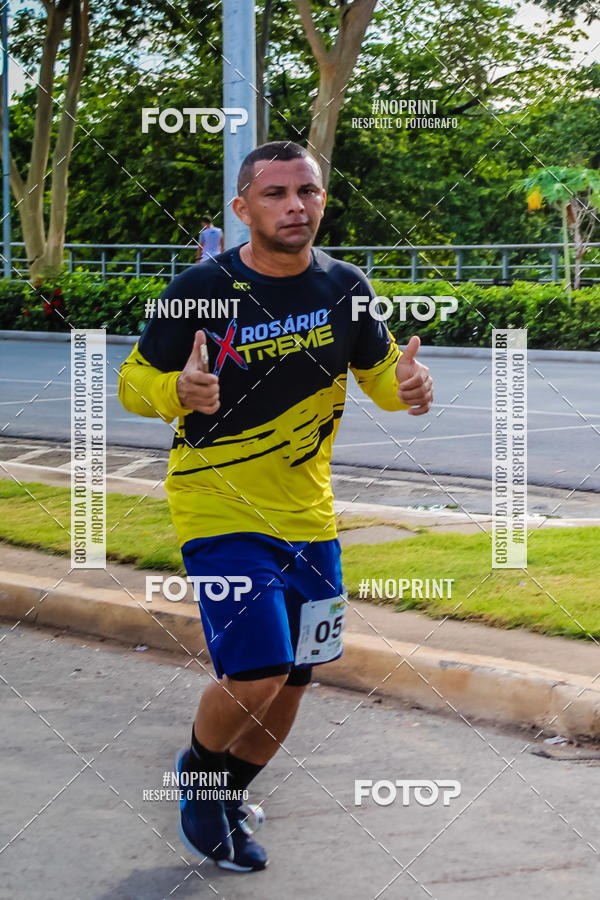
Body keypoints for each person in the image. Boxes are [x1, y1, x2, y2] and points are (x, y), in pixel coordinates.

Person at [118, 141, 433, 872]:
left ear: (322, 200)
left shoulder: (345, 287)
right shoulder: (204, 287)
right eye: (276, 194)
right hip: (217, 507)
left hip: (310, 518)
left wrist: (408, 387)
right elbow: (136, 382)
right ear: (243, 208)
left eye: (308, 192)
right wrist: (178, 392)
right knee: (258, 669)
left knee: (296, 679)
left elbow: (380, 372)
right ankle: (199, 780)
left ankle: (228, 792)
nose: (296, 205)